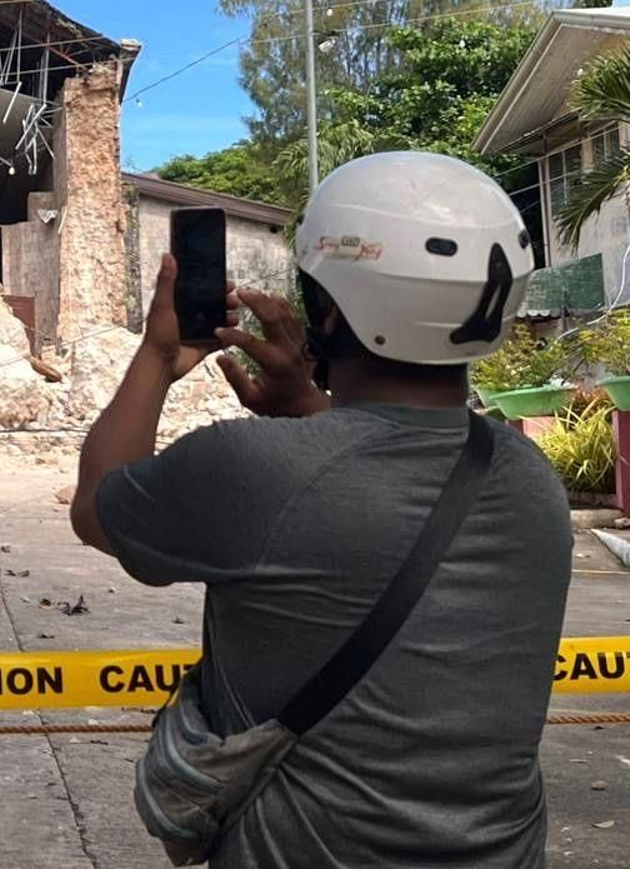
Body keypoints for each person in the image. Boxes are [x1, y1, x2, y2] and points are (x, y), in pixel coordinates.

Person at [69, 151, 570, 867]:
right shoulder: (528, 477)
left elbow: (96, 505)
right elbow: (387, 478)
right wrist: (310, 407)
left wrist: (158, 354)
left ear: (329, 312)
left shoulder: (253, 468)